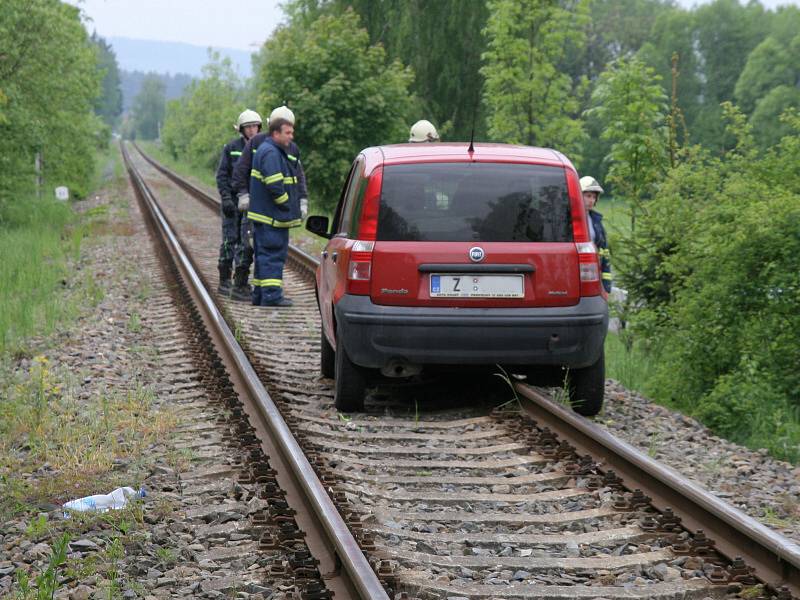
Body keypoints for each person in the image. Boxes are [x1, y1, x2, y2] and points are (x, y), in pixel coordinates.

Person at [247, 118, 302, 307]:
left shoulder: (270, 150)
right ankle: (271, 296)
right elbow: (275, 185)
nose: (291, 137)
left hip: (266, 215)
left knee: (263, 255)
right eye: (288, 133)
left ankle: (260, 295)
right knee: (272, 255)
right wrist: (286, 205)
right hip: (272, 216)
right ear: (275, 133)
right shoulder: (271, 152)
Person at [232, 106, 309, 223]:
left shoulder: (292, 148)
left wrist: (302, 200)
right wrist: (243, 194)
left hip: (279, 211)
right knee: (251, 238)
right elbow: (240, 169)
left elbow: (298, 176)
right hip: (257, 208)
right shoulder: (256, 142)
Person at [215, 109, 262, 300]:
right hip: (232, 202)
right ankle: (224, 279)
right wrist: (226, 198)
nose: (252, 130)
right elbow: (222, 175)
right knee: (230, 239)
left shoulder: (263, 148)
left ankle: (240, 281)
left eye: (254, 126)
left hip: (251, 203)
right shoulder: (231, 148)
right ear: (241, 130)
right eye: (248, 127)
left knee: (246, 242)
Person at [579, 176, 612, 293]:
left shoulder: (596, 222)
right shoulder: (569, 219)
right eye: (588, 196)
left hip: (592, 276)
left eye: (594, 197)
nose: (591, 200)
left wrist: (606, 284)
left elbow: (604, 252)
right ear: (578, 195)